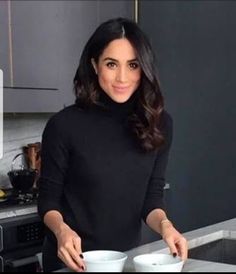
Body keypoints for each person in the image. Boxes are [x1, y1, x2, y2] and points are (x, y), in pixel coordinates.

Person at [37, 17, 188, 272]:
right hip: (71, 263)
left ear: (144, 68)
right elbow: (48, 201)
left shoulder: (159, 124)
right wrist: (62, 231)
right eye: (111, 64)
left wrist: (166, 226)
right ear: (95, 65)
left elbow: (151, 198)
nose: (122, 77)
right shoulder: (63, 126)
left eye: (133, 65)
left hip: (124, 260)